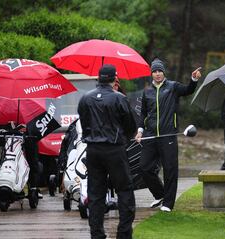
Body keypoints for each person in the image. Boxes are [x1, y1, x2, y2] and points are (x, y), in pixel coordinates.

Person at [78, 64, 137, 239]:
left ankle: (96, 234)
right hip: (114, 149)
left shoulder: (85, 98)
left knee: (96, 194)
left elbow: (84, 122)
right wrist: (123, 138)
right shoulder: (119, 98)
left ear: (99, 78)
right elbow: (130, 126)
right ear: (114, 78)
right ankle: (124, 233)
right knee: (125, 190)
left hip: (93, 149)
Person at [135, 58, 201, 212]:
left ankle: (168, 204)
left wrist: (194, 80)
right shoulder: (147, 91)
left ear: (163, 72)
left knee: (170, 170)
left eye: (160, 71)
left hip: (168, 136)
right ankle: (160, 194)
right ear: (151, 73)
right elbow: (143, 113)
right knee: (144, 167)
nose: (157, 74)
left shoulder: (173, 87)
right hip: (150, 136)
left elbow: (188, 90)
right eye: (155, 71)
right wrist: (140, 131)